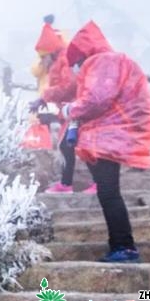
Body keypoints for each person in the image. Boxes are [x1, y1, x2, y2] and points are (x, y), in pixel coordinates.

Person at [62, 21, 150, 263]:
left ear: (83, 55)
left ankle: (124, 247)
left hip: (109, 136)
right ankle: (120, 245)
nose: (76, 69)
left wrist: (70, 110)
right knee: (108, 192)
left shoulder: (102, 62)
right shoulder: (112, 61)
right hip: (114, 134)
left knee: (109, 192)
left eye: (76, 63)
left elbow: (96, 99)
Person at [29, 16, 96, 194]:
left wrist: (44, 97)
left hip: (77, 109)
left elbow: (69, 86)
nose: (42, 60)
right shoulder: (58, 61)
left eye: (43, 56)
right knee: (71, 145)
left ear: (50, 52)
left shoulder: (64, 61)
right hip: (71, 109)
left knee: (74, 145)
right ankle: (69, 184)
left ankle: (88, 184)